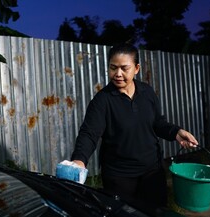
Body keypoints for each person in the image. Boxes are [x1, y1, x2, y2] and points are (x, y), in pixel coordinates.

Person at [70, 43, 198, 207]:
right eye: (113, 68)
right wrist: (79, 160)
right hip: (119, 177)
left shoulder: (147, 92)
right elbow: (89, 133)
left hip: (152, 171)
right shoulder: (102, 100)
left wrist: (176, 132)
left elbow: (158, 123)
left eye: (124, 68)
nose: (118, 74)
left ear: (136, 68)